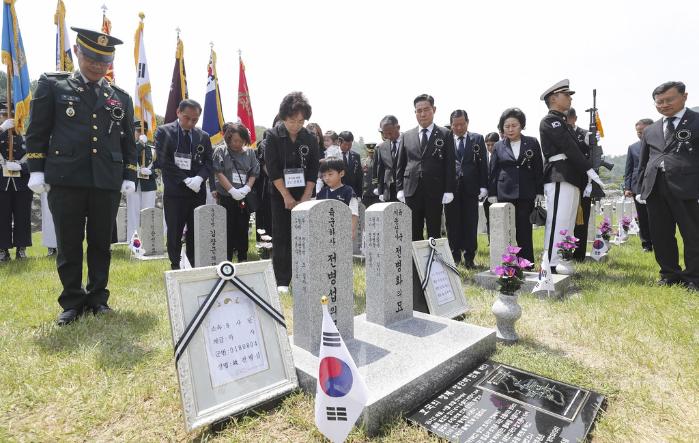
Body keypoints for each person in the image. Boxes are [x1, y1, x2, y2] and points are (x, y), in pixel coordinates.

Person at [25, 28, 137, 325]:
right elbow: (37, 131)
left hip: (106, 181)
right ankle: (73, 301)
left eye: (104, 61)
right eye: (91, 58)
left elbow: (129, 140)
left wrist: (129, 173)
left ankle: (98, 298)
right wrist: (36, 169)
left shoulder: (120, 96)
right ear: (77, 52)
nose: (97, 66)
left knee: (101, 242)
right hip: (66, 178)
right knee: (69, 242)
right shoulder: (53, 85)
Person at [637, 81, 699, 290]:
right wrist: (640, 189)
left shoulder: (696, 121)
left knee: (693, 233)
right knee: (661, 234)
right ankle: (669, 274)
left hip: (689, 186)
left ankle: (693, 278)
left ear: (684, 96)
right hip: (655, 187)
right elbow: (643, 162)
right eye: (659, 102)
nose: (663, 105)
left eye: (669, 100)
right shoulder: (651, 129)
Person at [539, 79, 601, 272]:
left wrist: (589, 140)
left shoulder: (564, 123)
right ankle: (551, 261)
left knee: (567, 220)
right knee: (558, 219)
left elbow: (577, 148)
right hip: (559, 175)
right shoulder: (551, 121)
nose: (570, 98)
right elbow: (568, 147)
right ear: (554, 98)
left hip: (571, 176)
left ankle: (563, 258)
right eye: (566, 95)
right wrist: (587, 169)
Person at [265, 92, 319, 292]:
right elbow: (272, 168)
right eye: (292, 121)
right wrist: (286, 196)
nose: (296, 125)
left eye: (301, 121)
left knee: (303, 234)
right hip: (280, 194)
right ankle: (282, 280)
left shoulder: (310, 138)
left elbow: (313, 168)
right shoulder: (272, 136)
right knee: (281, 235)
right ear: (283, 117)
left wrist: (306, 196)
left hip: (304, 192)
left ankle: (304, 274)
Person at [155, 98, 213, 270]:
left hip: (197, 191)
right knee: (175, 230)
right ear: (178, 113)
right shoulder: (164, 132)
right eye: (187, 118)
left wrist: (199, 178)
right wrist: (185, 179)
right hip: (175, 191)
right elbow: (164, 161)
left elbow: (209, 162)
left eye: (195, 119)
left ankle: (194, 264)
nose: (190, 122)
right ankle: (175, 265)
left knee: (196, 230)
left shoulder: (203, 136)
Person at [488, 108, 544, 264]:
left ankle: (525, 263)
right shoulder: (498, 146)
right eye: (507, 126)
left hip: (526, 193)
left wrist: (539, 190)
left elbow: (539, 168)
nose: (510, 129)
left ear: (521, 126)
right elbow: (493, 170)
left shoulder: (532, 142)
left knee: (524, 230)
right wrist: (492, 193)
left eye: (514, 125)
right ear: (502, 128)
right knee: (507, 229)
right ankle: (506, 264)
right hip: (504, 193)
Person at [396, 94, 456, 240]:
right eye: (419, 110)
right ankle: (414, 263)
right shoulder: (406, 135)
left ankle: (433, 262)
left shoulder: (445, 134)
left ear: (434, 110)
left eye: (426, 109)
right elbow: (401, 164)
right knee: (413, 228)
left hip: (435, 189)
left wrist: (449, 190)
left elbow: (450, 164)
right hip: (412, 189)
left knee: (434, 229)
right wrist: (399, 188)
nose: (422, 114)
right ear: (415, 112)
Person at [444, 110, 488, 268]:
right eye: (455, 125)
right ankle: (454, 256)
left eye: (461, 124)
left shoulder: (477, 139)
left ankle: (470, 257)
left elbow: (483, 164)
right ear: (451, 125)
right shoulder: (446, 139)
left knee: (470, 222)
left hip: (471, 188)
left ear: (467, 123)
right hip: (451, 190)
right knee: (452, 223)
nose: (458, 127)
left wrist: (483, 186)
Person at [212, 122, 259, 262]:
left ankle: (242, 258)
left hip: (243, 197)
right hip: (226, 196)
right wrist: (231, 190)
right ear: (228, 138)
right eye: (234, 141)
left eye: (241, 141)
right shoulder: (221, 151)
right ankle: (226, 260)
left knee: (242, 228)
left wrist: (247, 188)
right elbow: (218, 172)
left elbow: (254, 173)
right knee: (227, 228)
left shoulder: (250, 153)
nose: (237, 144)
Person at [0, 101, 31, 261]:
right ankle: (3, 250)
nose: (8, 117)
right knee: (2, 216)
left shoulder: (27, 133)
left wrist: (22, 168)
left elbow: (37, 157)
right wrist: (1, 129)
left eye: (11, 114)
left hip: (22, 182)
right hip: (1, 182)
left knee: (22, 216)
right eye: (4, 114)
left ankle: (21, 248)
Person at [566, 108, 594, 262]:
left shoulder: (584, 134)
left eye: (570, 118)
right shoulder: (560, 133)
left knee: (581, 219)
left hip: (583, 180)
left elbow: (593, 157)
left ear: (575, 118)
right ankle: (565, 252)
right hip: (566, 179)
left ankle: (578, 254)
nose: (568, 121)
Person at [624, 118, 654, 252]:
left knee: (657, 216)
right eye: (638, 132)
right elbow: (629, 169)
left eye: (642, 131)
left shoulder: (659, 145)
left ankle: (660, 242)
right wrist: (627, 187)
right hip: (638, 187)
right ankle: (646, 245)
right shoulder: (633, 147)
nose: (640, 134)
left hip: (656, 185)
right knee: (642, 217)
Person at [126, 120, 158, 241]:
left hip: (148, 185)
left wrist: (151, 172)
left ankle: (148, 242)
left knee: (148, 213)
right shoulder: (129, 147)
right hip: (133, 183)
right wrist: (139, 145)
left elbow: (159, 167)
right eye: (138, 131)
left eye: (142, 131)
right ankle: (133, 244)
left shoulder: (152, 149)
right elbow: (129, 159)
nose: (140, 133)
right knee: (133, 214)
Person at [317, 157, 359, 239]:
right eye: (324, 175)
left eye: (330, 174)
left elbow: (353, 213)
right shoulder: (322, 192)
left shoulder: (348, 191)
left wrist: (352, 230)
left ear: (341, 174)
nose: (326, 178)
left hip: (342, 231)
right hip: (325, 232)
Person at [375, 115, 403, 202]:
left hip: (406, 189)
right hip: (389, 190)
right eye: (384, 133)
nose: (388, 136)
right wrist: (381, 191)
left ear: (397, 127)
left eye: (390, 133)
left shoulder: (408, 141)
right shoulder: (382, 147)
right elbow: (381, 170)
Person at [483, 132, 500, 237]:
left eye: (492, 144)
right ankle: (491, 240)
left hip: (500, 193)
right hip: (487, 195)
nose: (490, 147)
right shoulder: (484, 157)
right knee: (489, 219)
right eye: (487, 145)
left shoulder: (502, 155)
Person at [337, 131, 363, 198]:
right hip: (337, 192)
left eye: (350, 145)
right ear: (339, 142)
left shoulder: (356, 156)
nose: (347, 147)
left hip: (352, 193)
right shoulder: (333, 155)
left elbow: (359, 177)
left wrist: (359, 195)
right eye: (345, 144)